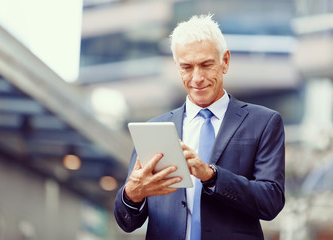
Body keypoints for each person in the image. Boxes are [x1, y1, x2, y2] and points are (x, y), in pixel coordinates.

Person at [114, 14, 285, 240]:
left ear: (225, 61)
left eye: (206, 64)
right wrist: (132, 194)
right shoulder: (154, 129)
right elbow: (127, 222)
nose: (197, 78)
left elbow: (271, 201)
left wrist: (211, 175)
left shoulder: (264, 122)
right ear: (177, 66)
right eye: (187, 67)